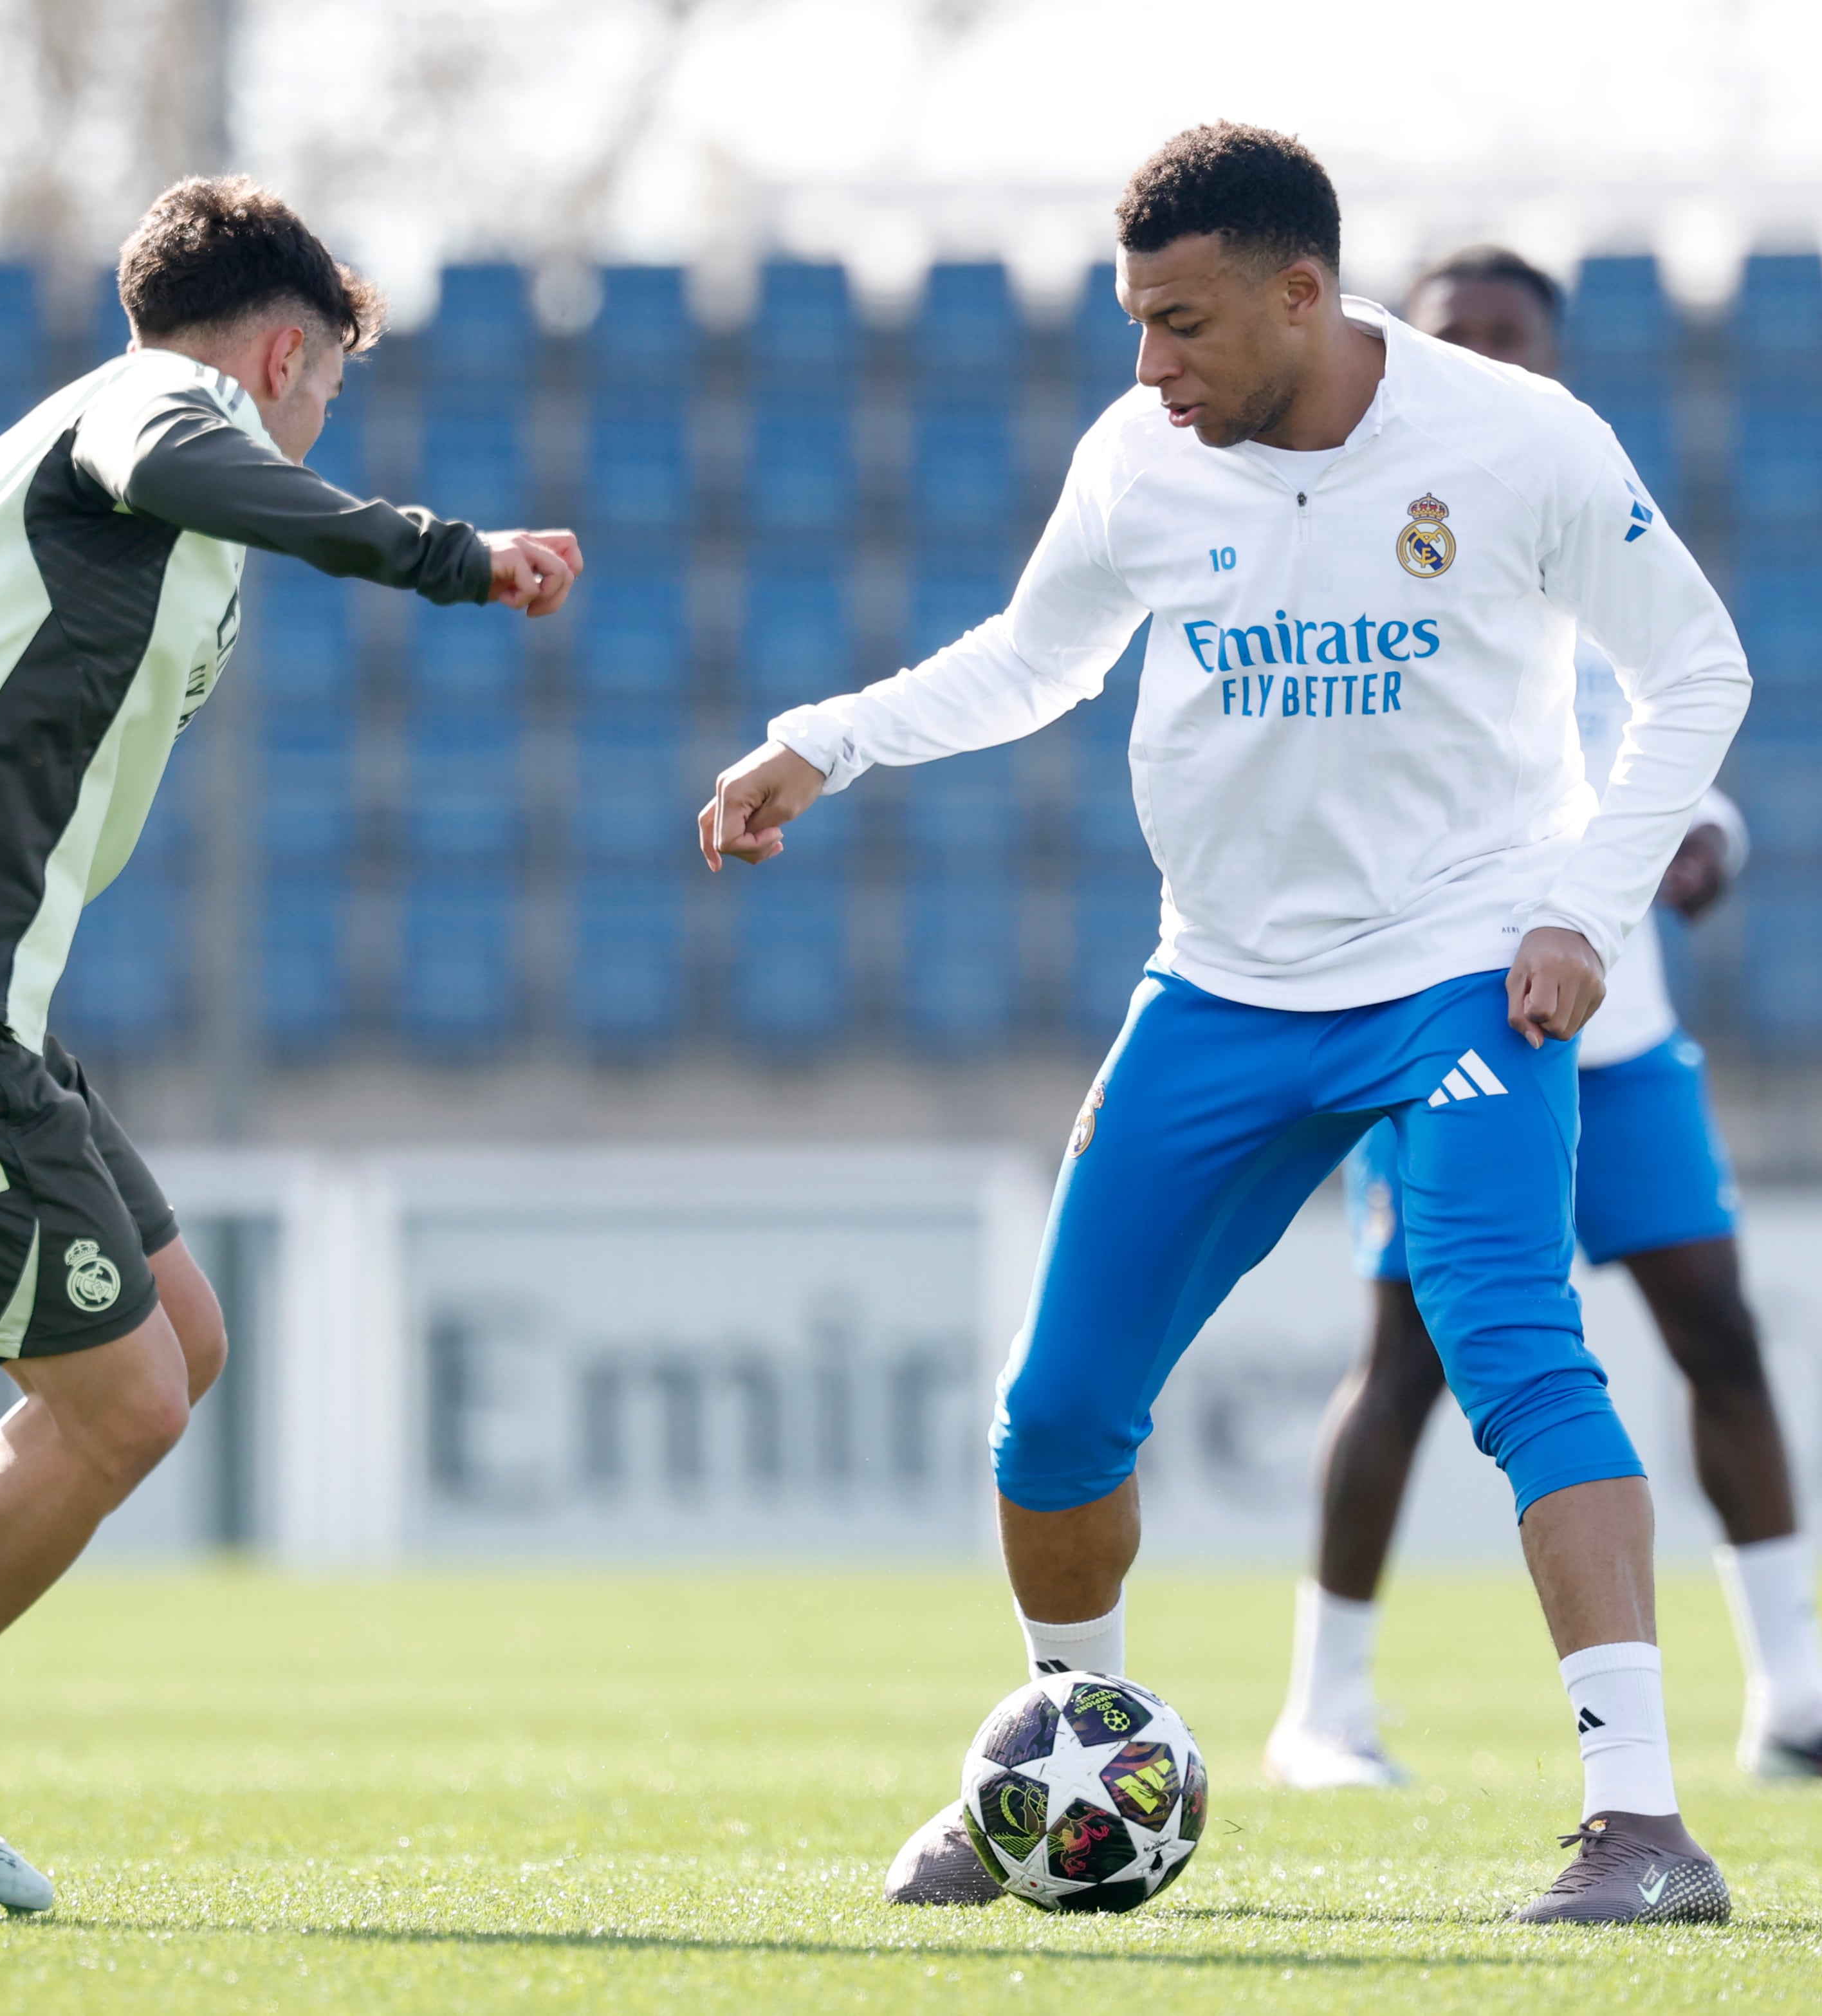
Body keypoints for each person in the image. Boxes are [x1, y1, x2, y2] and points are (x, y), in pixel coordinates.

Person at [703, 127, 1751, 1925]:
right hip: (1223, 982)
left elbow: (1698, 666)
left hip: (1455, 973)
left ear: (1299, 292)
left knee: (1514, 1354)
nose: (1147, 365)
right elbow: (1036, 656)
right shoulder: (1140, 456)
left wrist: (1576, 905)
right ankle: (1062, 1749)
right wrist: (832, 735)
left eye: (1180, 323)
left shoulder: (1514, 439)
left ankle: (1639, 1820)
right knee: (1052, 1419)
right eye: (1132, 323)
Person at [0, 176, 581, 1923]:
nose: (319, 411)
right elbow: (187, 457)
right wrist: (446, 552)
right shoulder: (151, 407)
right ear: (281, 351)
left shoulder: (89, 470)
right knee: (116, 1393)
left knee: (178, 1344)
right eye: (324, 380)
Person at [1262, 248, 1822, 1797]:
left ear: (1556, 358)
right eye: (1464, 339)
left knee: (1718, 1335)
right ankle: (1326, 1710)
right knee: (1408, 1366)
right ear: (1404, 354)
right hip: (1439, 1026)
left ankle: (1792, 1692)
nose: (1494, 360)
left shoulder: (1586, 516)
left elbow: (1672, 734)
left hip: (1615, 1036)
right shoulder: (1369, 538)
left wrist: (1709, 843)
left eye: (1518, 339)